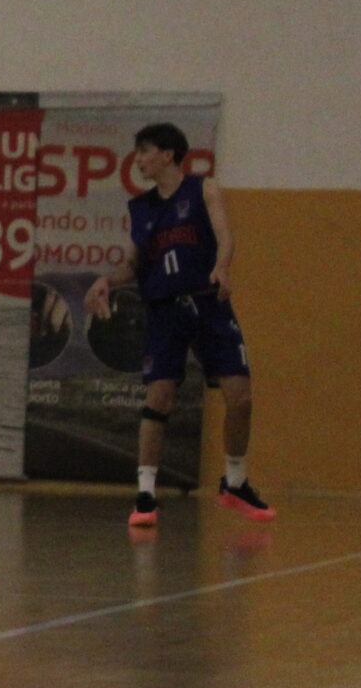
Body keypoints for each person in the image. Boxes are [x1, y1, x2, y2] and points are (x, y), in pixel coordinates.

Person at [85, 123, 269, 527]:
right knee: (160, 396)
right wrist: (107, 281)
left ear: (168, 154)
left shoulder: (203, 189)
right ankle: (145, 494)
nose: (138, 159)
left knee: (240, 397)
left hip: (208, 303)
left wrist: (222, 266)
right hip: (164, 309)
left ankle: (235, 482)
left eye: (145, 151)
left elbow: (225, 237)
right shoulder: (142, 208)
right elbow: (133, 263)